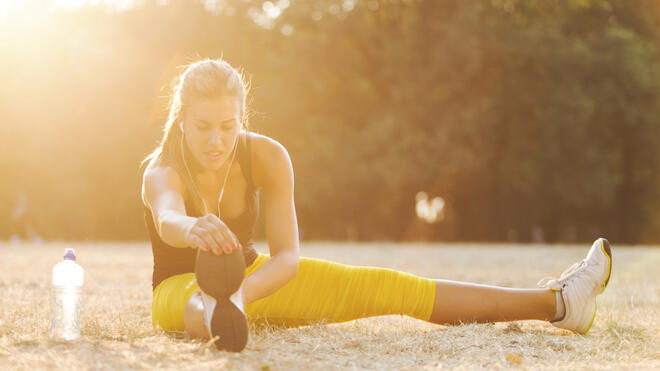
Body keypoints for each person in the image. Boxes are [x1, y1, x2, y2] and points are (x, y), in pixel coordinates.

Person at [141, 58, 612, 352]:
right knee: (201, 311)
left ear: (242, 117)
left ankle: (559, 303)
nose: (216, 140)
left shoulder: (267, 155)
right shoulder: (162, 168)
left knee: (392, 287)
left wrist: (243, 295)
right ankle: (218, 320)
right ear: (182, 121)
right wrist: (191, 229)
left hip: (254, 278)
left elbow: (287, 257)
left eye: (228, 125)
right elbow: (166, 216)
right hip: (180, 288)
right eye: (203, 126)